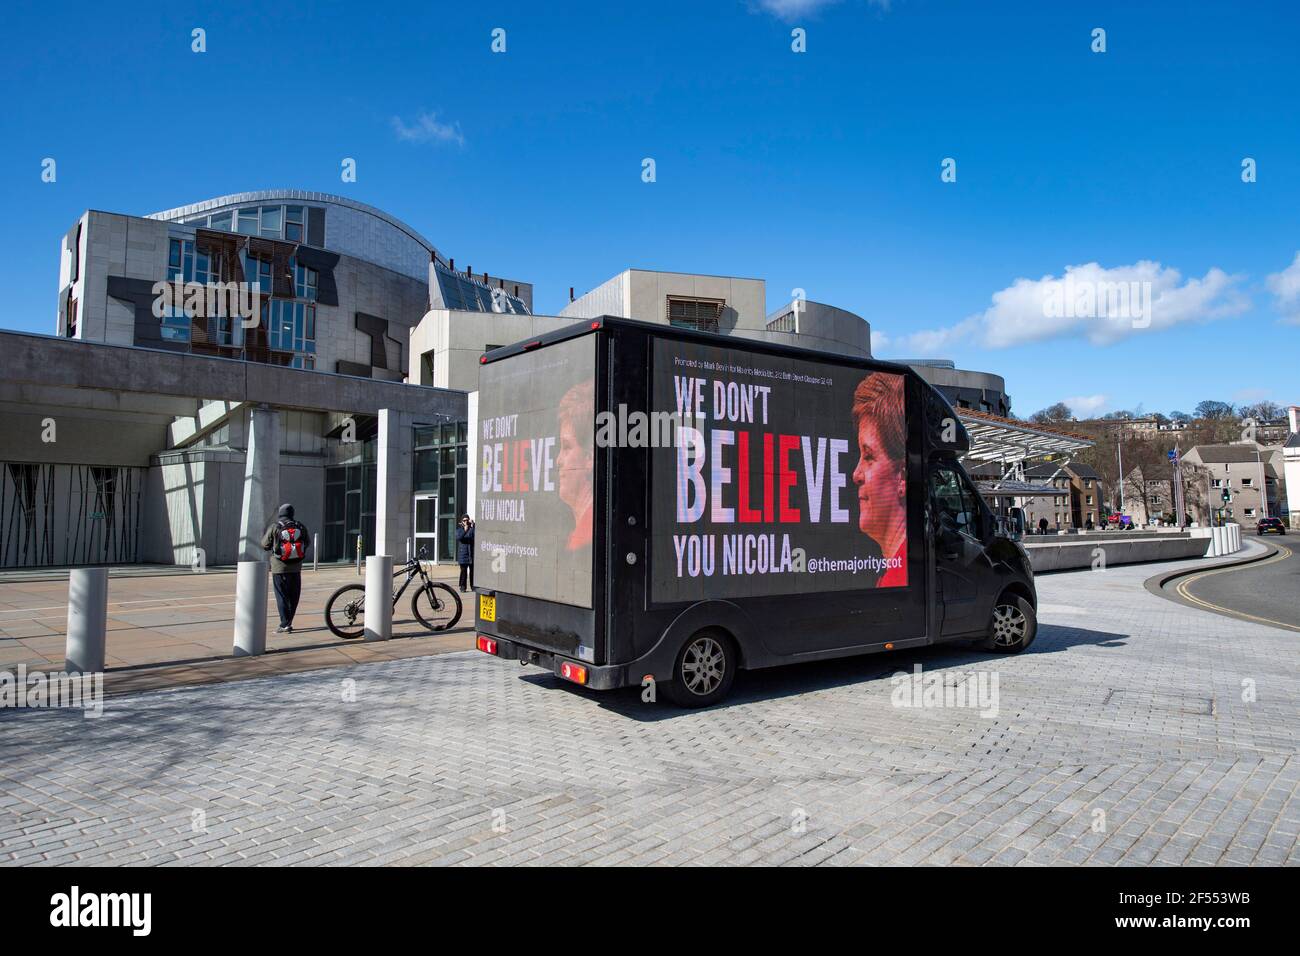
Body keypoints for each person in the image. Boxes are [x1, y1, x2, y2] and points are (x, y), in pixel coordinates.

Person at [850, 372, 908, 588]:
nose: (856, 474)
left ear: (902, 477)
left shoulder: (898, 579)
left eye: (869, 456)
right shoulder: (894, 574)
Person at [557, 379, 595, 552]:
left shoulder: (586, 538)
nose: (558, 460)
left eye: (566, 447)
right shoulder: (578, 532)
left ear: (589, 457)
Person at [261, 503, 309, 633]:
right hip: (296, 567)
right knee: (294, 596)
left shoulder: (275, 527)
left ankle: (284, 624)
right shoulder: (300, 526)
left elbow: (264, 544)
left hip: (279, 568)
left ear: (280, 514)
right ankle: (289, 621)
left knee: (282, 596)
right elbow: (307, 542)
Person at [456, 515, 475, 592]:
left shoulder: (472, 529)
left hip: (471, 554)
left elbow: (475, 536)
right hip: (463, 555)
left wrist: (473, 527)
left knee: (472, 572)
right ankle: (462, 587)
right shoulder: (459, 530)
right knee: (463, 572)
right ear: (462, 522)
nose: (466, 522)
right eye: (464, 520)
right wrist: (465, 530)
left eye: (467, 520)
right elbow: (459, 538)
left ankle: (473, 586)